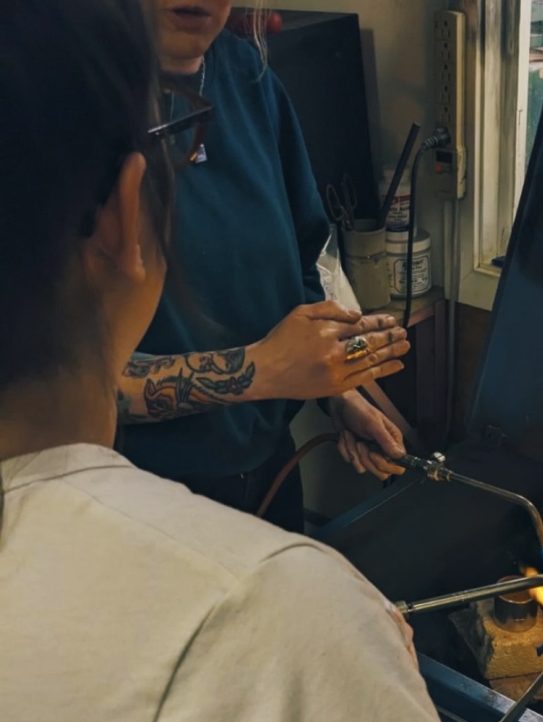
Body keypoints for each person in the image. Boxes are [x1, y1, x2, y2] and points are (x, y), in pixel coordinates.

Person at [0, 3, 522, 722]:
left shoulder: (244, 75)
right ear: (130, 217)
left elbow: (300, 262)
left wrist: (324, 379)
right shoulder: (258, 619)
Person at [117, 0, 410, 532]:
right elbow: (65, 383)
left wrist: (333, 388)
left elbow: (298, 268)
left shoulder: (250, 79)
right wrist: (266, 370)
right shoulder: (58, 103)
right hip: (138, 501)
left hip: (269, 474)